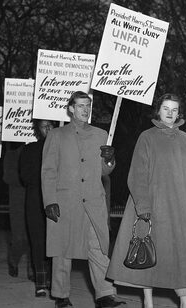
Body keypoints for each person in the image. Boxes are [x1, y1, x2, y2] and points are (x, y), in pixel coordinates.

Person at [107, 92, 186, 308]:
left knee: (183, 254)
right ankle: (148, 301)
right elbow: (137, 173)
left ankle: (185, 302)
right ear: (158, 110)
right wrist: (143, 206)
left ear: (179, 114)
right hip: (155, 205)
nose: (170, 113)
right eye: (166, 108)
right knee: (150, 252)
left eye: (174, 110)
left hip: (183, 207)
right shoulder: (147, 137)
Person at [41, 91, 124, 308]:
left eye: (88, 105)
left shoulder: (101, 134)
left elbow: (105, 172)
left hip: (93, 202)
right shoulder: (56, 135)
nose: (85, 110)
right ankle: (61, 295)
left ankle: (105, 294)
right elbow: (48, 170)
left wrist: (109, 159)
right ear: (70, 109)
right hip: (65, 202)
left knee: (99, 248)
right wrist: (49, 200)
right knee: (63, 250)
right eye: (80, 106)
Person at [19, 119, 54, 297]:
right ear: (37, 130)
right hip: (35, 201)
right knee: (38, 241)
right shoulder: (30, 149)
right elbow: (24, 177)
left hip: (56, 201)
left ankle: (55, 281)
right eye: (44, 125)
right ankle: (40, 282)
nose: (48, 128)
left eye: (51, 125)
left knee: (56, 242)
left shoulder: (61, 148)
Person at [3, 141, 33, 279]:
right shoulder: (11, 154)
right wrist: (26, 176)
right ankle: (13, 260)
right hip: (18, 202)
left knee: (33, 238)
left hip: (34, 200)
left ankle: (32, 269)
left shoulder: (38, 151)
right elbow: (8, 177)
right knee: (19, 238)